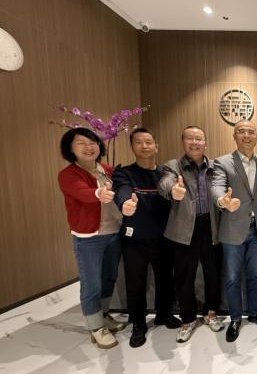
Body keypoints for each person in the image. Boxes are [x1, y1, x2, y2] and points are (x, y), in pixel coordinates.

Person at [112, 128, 182, 348]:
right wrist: (125, 203)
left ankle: (163, 314)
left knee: (165, 279)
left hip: (164, 238)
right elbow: (122, 191)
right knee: (135, 283)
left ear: (156, 146)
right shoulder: (124, 173)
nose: (144, 146)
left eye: (148, 142)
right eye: (139, 142)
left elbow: (171, 188)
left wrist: (176, 192)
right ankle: (138, 323)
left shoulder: (165, 173)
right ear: (132, 146)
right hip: (135, 239)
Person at [57, 127, 126, 349]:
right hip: (89, 238)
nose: (88, 147)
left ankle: (103, 315)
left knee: (109, 277)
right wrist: (98, 193)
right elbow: (82, 192)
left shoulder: (107, 170)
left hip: (114, 232)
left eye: (92, 142)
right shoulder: (69, 174)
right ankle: (95, 328)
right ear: (70, 149)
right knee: (91, 284)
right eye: (81, 143)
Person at [158, 126, 223, 343]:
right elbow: (165, 183)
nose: (194, 142)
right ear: (183, 142)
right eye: (190, 138)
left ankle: (211, 312)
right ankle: (187, 318)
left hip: (211, 226)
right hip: (184, 228)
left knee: (213, 273)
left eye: (199, 139)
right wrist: (173, 190)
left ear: (206, 143)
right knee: (184, 276)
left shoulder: (215, 167)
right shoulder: (172, 166)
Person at [213, 120, 257, 343]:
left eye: (250, 131)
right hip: (232, 229)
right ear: (234, 136)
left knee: (255, 275)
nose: (246, 135)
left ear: (256, 136)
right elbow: (216, 186)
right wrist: (222, 200)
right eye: (241, 131)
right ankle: (236, 318)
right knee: (232, 277)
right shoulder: (222, 162)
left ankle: (254, 314)